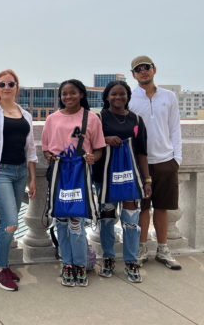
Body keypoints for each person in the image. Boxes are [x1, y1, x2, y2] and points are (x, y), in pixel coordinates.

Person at [0, 70, 38, 291]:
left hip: (21, 172)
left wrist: (32, 178)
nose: (6, 86)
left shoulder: (26, 115)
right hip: (0, 172)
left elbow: (30, 149)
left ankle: (0, 264)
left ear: (16, 87)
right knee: (11, 220)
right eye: (1, 84)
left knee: (7, 221)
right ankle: (0, 271)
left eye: (10, 83)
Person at [42, 79, 105, 287]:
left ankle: (79, 264)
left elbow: (98, 148)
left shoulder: (92, 118)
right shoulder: (52, 119)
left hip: (80, 174)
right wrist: (49, 156)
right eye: (64, 94)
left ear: (81, 94)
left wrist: (92, 158)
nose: (68, 97)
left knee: (76, 222)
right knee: (60, 220)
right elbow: (46, 147)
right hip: (59, 174)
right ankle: (67, 264)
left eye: (72, 93)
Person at [92, 81, 152, 283]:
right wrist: (105, 139)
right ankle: (108, 258)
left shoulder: (136, 120)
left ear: (128, 96)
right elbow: (89, 144)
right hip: (104, 178)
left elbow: (142, 151)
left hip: (130, 178)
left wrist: (147, 179)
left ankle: (131, 262)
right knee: (107, 219)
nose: (118, 98)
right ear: (107, 97)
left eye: (122, 94)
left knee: (131, 221)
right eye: (114, 94)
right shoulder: (98, 119)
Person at [128, 56, 182, 270]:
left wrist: (176, 159)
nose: (143, 71)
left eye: (147, 68)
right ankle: (141, 249)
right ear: (133, 74)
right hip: (140, 162)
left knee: (162, 207)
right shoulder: (130, 98)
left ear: (154, 70)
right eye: (138, 69)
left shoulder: (168, 97)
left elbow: (175, 129)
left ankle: (163, 250)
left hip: (166, 161)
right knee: (142, 208)